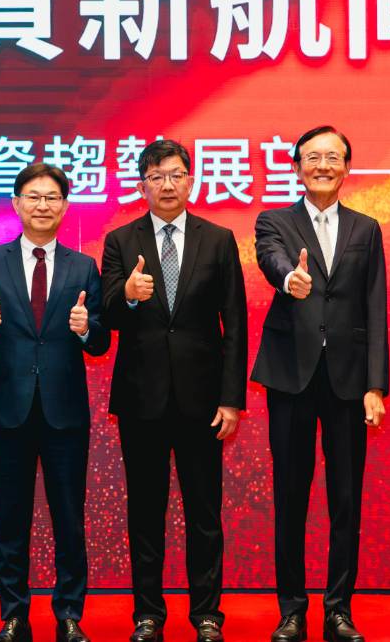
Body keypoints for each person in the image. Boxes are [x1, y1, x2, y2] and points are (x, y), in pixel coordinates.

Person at [99, 139, 248, 642]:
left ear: (191, 180)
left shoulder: (219, 239)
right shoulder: (121, 240)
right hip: (141, 400)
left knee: (204, 513)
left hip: (203, 402)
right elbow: (106, 316)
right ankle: (148, 615)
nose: (167, 184)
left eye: (176, 174)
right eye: (156, 176)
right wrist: (128, 296)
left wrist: (231, 399)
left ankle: (207, 615)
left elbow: (235, 323)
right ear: (142, 184)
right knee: (146, 512)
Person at [0, 164, 111, 642]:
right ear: (16, 203)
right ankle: (14, 617)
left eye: (51, 197)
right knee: (11, 519)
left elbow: (101, 341)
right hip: (11, 410)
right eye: (33, 196)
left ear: (64, 206)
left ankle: (69, 616)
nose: (42, 205)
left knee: (69, 519)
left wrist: (86, 330)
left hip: (66, 412)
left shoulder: (83, 266)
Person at [251, 126, 389, 642]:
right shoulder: (275, 221)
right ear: (297, 167)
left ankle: (339, 610)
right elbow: (272, 260)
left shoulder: (366, 229)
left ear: (347, 167)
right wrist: (290, 279)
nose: (323, 166)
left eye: (333, 157)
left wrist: (375, 385)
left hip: (349, 382)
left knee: (345, 500)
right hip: (291, 376)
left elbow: (375, 306)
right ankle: (291, 610)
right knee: (290, 496)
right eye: (313, 157)